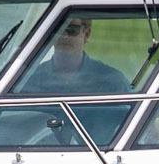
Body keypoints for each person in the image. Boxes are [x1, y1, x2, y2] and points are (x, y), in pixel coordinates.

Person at [7, 14, 132, 144]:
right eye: (59, 30)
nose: (64, 36)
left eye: (72, 30)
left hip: (97, 158)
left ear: (86, 34)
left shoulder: (113, 82)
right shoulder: (29, 80)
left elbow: (145, 130)